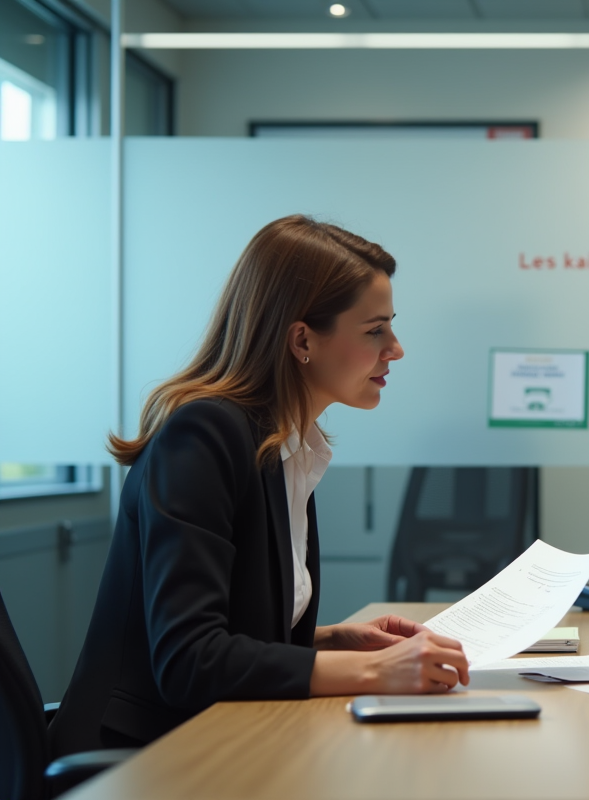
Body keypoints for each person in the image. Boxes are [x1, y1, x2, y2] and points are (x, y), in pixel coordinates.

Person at [50, 215, 470, 757]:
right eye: (375, 330)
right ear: (302, 340)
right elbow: (188, 661)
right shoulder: (205, 436)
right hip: (139, 762)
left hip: (225, 743)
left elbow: (232, 626)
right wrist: (369, 669)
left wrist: (331, 639)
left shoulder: (286, 448)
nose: (396, 348)